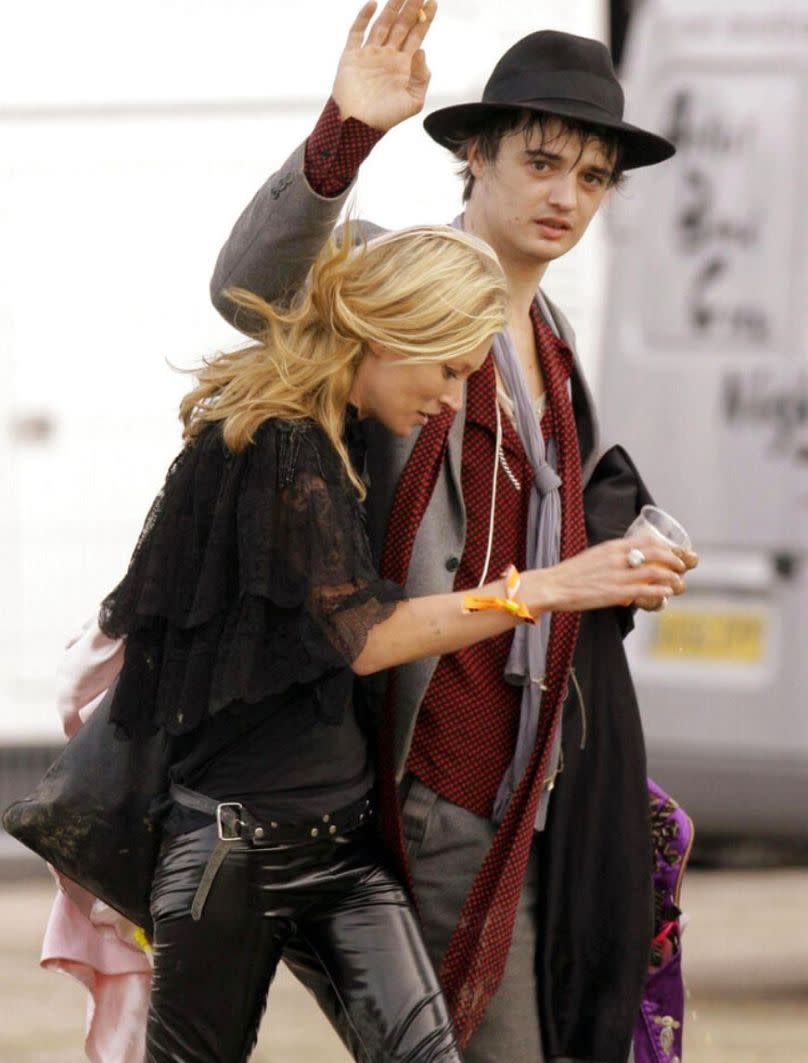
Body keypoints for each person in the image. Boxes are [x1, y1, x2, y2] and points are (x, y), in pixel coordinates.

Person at [208, 5, 698, 1062]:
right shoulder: (396, 281)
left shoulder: (556, 342)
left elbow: (538, 532)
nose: (565, 195)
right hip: (428, 776)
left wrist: (621, 554)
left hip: (539, 779)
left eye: (592, 178)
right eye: (541, 161)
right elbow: (248, 292)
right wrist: (348, 129)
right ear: (472, 155)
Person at [98, 224, 682, 1063]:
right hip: (233, 855)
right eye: (446, 369)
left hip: (340, 846)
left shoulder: (346, 430)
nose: (451, 400)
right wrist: (553, 584)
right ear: (386, 333)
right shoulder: (283, 442)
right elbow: (368, 637)